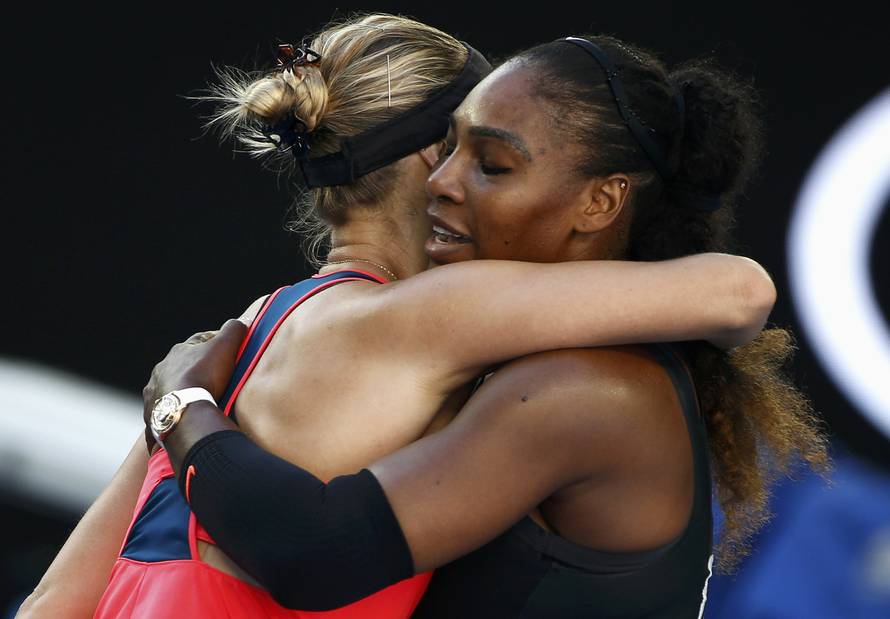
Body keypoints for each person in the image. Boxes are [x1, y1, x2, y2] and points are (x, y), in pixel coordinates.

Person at [17, 16, 779, 619]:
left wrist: (184, 407)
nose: (452, 183)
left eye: (490, 162)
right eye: (455, 150)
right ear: (422, 161)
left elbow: (55, 602)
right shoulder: (438, 324)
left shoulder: (239, 333)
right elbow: (736, 290)